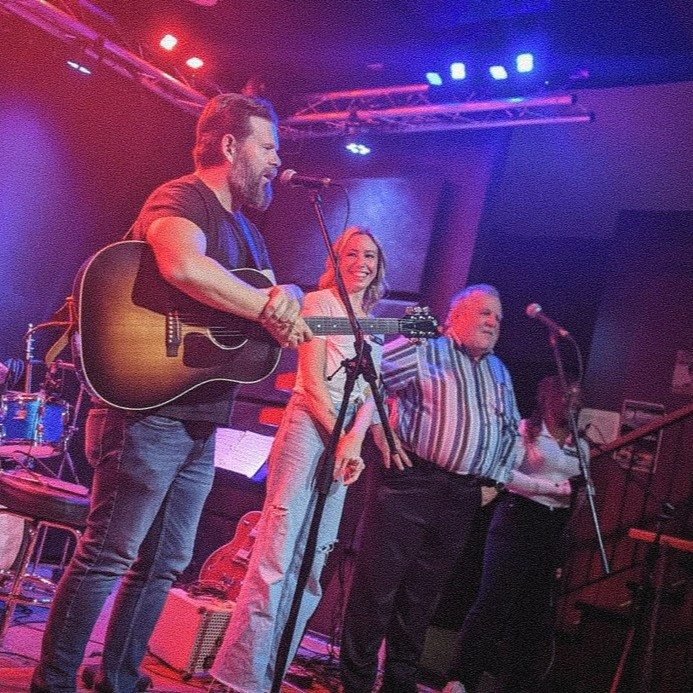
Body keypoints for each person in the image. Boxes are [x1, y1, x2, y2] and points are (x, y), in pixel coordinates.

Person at [30, 93, 311, 693]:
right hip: (145, 410)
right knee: (108, 555)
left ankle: (119, 679)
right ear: (230, 147)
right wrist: (268, 305)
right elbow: (182, 265)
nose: (276, 161)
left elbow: (263, 304)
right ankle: (51, 682)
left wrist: (283, 296)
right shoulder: (182, 197)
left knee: (164, 564)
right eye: (268, 147)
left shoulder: (250, 236)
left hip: (199, 419)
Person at [210, 226, 388, 693]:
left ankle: (273, 674)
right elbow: (309, 386)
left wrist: (354, 442)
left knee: (313, 563)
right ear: (337, 259)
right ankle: (239, 677)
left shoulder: (376, 321)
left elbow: (374, 389)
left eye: (369, 255)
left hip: (346, 439)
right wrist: (344, 441)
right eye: (352, 253)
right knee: (277, 554)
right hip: (310, 431)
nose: (362, 262)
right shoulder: (316, 304)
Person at [339, 284, 522, 693]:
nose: (494, 323)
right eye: (485, 314)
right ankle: (355, 685)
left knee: (421, 602)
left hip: (462, 496)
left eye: (499, 317)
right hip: (410, 486)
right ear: (456, 316)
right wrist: (382, 437)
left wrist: (495, 483)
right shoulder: (423, 349)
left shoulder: (499, 371)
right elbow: (368, 381)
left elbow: (512, 431)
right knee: (376, 592)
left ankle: (399, 686)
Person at [442, 375, 586, 693]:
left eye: (577, 396)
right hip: (517, 519)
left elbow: (581, 493)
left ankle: (513, 685)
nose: (572, 401)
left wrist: (568, 517)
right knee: (493, 603)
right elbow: (506, 476)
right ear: (547, 397)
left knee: (532, 614)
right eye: (566, 395)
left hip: (552, 528)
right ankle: (460, 678)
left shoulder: (581, 445)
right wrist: (553, 489)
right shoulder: (525, 431)